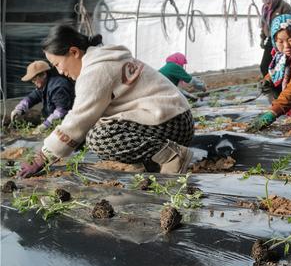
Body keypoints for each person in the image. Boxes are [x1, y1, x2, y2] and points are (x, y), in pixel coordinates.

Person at [18, 25, 195, 178]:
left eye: (57, 64)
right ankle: (154, 161)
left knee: (99, 137)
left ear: (74, 52)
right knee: (98, 129)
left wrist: (42, 157)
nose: (60, 71)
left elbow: (78, 120)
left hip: (173, 122)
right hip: (174, 116)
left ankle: (172, 156)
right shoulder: (102, 59)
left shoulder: (96, 70)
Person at [10, 60, 75, 132]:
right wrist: (19, 109)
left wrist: (45, 125)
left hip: (66, 126)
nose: (34, 82)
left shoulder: (58, 87)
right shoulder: (44, 85)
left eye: (34, 79)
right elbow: (31, 97)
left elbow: (61, 111)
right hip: (54, 123)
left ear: (44, 74)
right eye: (32, 80)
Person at [259, 0, 291, 76]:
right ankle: (269, 84)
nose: (267, 3)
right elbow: (264, 24)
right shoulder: (265, 8)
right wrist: (262, 38)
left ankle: (279, 86)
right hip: (271, 39)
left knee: (281, 66)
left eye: (268, 0)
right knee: (264, 66)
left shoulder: (284, 6)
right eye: (265, 1)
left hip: (281, 40)